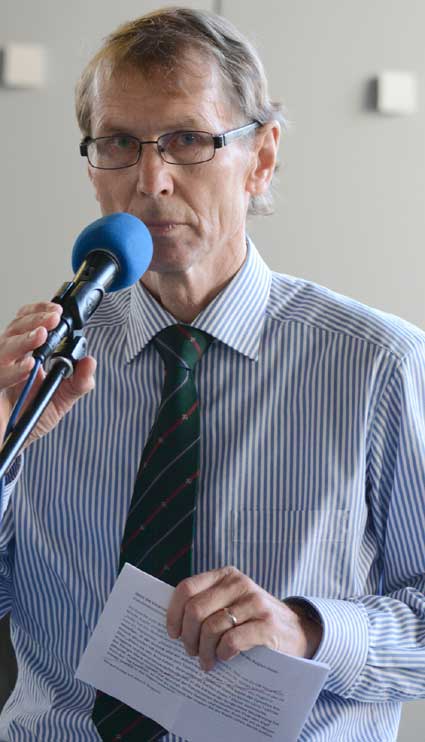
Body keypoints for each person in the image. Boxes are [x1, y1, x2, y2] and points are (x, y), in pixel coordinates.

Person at [0, 6, 424, 741]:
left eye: (188, 140)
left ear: (261, 158)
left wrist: (310, 630)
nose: (151, 180)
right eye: (119, 143)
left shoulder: (377, 365)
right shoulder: (39, 369)